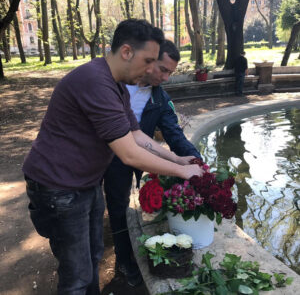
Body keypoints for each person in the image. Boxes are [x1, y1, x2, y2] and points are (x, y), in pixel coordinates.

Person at [22, 19, 203, 295]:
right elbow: (130, 153)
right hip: (58, 189)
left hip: (84, 184)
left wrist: (179, 160)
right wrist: (181, 173)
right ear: (127, 52)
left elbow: (138, 136)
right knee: (76, 276)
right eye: (148, 60)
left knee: (93, 257)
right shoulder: (95, 82)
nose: (152, 69)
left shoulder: (116, 85)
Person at [103, 40, 203, 286]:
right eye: (163, 70)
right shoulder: (116, 84)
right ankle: (122, 259)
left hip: (137, 157)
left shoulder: (160, 97)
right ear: (149, 61)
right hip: (105, 157)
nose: (166, 77)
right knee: (111, 206)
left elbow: (174, 135)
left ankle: (129, 256)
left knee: (124, 207)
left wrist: (197, 163)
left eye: (171, 72)